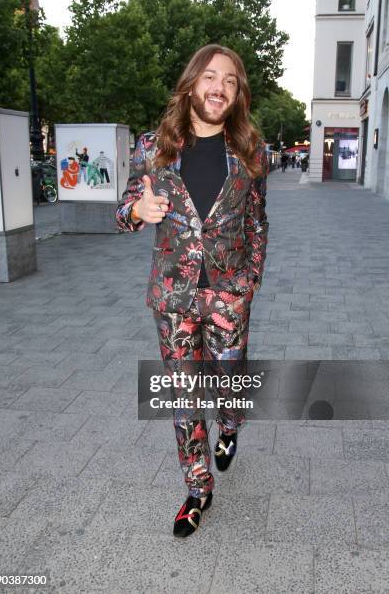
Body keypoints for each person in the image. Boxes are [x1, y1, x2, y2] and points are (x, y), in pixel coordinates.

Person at [116, 44, 269, 538]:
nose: (218, 87)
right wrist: (137, 213)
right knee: (184, 398)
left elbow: (257, 223)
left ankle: (230, 426)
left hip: (228, 296)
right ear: (191, 84)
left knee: (229, 383)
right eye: (209, 76)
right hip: (174, 298)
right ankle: (198, 488)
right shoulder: (153, 147)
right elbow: (123, 212)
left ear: (237, 92)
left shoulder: (250, 151)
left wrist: (248, 285)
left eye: (229, 80)